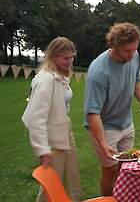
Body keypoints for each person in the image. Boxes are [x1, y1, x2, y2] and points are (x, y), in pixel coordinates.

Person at [84, 22, 140, 196]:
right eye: (127, 50)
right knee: (110, 170)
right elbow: (92, 113)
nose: (132, 54)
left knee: (126, 168)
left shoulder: (134, 55)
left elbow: (136, 80)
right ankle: (108, 200)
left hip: (126, 124)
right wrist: (103, 143)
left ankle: (122, 198)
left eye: (134, 49)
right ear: (114, 46)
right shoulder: (99, 72)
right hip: (104, 127)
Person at [21, 37, 81, 202]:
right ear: (53, 57)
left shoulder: (59, 76)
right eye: (65, 58)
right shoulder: (46, 80)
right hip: (51, 139)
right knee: (51, 185)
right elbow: (36, 118)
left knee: (70, 178)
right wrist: (42, 149)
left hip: (63, 132)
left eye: (71, 57)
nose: (69, 62)